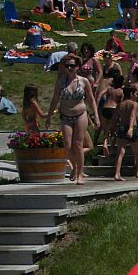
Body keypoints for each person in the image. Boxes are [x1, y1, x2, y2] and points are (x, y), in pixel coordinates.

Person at [46, 55, 100, 184]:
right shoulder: (61, 82)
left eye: (72, 65)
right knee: (67, 145)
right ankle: (75, 166)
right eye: (67, 66)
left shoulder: (84, 81)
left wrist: (96, 116)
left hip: (80, 114)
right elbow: (55, 99)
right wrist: (49, 116)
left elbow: (91, 100)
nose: (70, 68)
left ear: (78, 67)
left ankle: (80, 174)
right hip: (65, 115)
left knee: (78, 144)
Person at [112, 85, 138, 180]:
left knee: (121, 151)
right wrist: (130, 129)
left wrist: (109, 131)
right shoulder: (134, 104)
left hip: (121, 127)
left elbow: (114, 118)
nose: (137, 95)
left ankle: (117, 173)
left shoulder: (120, 105)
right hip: (131, 128)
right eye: (136, 94)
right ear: (131, 94)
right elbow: (132, 116)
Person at [97, 71, 124, 156]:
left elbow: (100, 94)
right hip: (114, 110)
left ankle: (105, 144)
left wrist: (97, 105)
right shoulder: (121, 91)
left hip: (105, 109)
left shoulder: (109, 89)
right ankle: (111, 149)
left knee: (105, 130)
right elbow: (120, 104)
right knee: (113, 131)